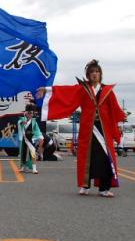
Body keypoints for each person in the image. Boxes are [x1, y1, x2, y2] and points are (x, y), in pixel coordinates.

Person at [37, 59, 127, 198]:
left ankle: (104, 188)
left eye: (97, 72)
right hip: (88, 128)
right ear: (88, 75)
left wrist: (119, 123)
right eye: (92, 72)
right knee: (86, 157)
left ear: (100, 74)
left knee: (104, 158)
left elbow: (114, 109)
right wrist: (48, 89)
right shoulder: (83, 89)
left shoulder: (107, 91)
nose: (94, 74)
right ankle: (85, 186)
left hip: (104, 129)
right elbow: (66, 92)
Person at [17, 104, 44, 174]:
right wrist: (22, 122)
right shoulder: (22, 119)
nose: (30, 114)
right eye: (28, 113)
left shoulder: (34, 121)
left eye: (31, 113)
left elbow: (37, 130)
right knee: (23, 153)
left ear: (33, 114)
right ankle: (23, 167)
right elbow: (19, 123)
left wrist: (40, 137)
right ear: (26, 113)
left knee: (33, 153)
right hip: (24, 139)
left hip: (31, 139)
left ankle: (34, 168)